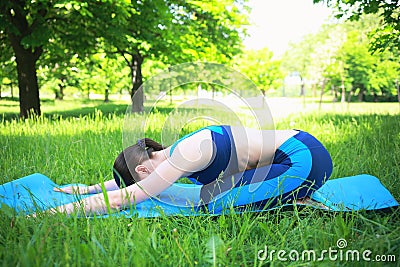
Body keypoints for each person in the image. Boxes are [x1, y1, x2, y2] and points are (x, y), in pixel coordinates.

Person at [53, 125, 333, 215]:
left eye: (139, 181)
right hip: (301, 148)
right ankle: (289, 193)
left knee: (213, 202)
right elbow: (127, 187)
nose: (143, 190)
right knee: (215, 193)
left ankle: (297, 197)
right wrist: (87, 189)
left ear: (142, 168)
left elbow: (121, 198)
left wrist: (51, 213)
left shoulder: (184, 155)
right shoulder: (172, 154)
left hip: (304, 160)